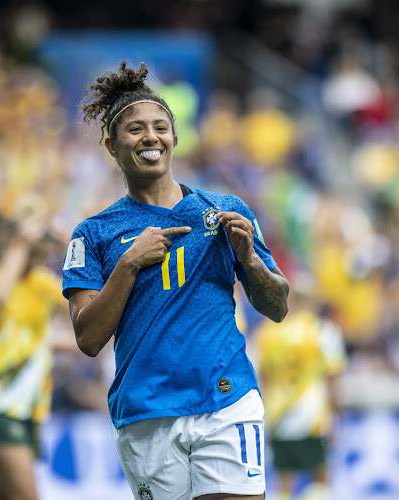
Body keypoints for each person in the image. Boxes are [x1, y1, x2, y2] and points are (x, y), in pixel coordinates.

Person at [62, 61, 289, 500]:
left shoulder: (225, 209)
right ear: (111, 145)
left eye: (161, 127)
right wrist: (128, 264)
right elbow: (88, 338)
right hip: (147, 413)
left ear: (175, 138)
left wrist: (251, 261)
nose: (151, 136)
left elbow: (277, 306)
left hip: (225, 398)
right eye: (136, 129)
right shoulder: (93, 234)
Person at [0, 209, 67, 500]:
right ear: (7, 239)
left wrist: (70, 253)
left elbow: (90, 328)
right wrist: (19, 246)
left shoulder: (42, 283)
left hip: (29, 407)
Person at [255, 281, 346, 500]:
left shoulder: (268, 333)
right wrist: (336, 415)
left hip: (279, 415)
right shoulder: (322, 331)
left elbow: (263, 378)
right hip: (312, 415)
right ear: (312, 302)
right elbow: (332, 377)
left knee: (284, 482)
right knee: (321, 479)